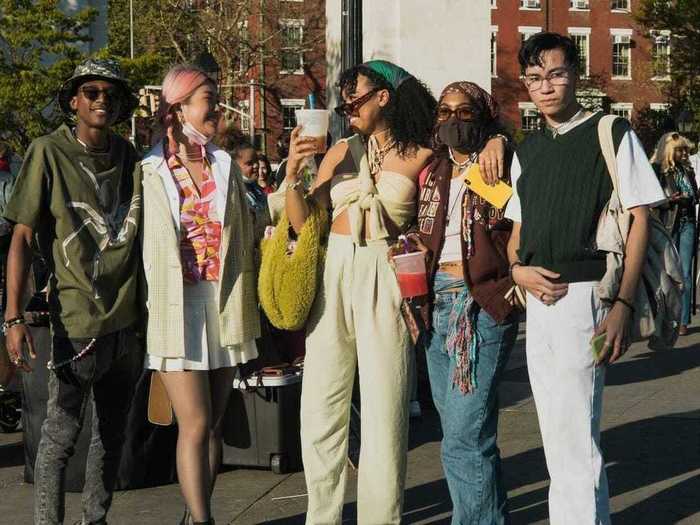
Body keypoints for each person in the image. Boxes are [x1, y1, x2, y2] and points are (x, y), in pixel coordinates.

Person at [283, 59, 506, 524]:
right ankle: (319, 516)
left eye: (355, 97)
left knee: (385, 409)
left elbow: (472, 153)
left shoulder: (424, 151)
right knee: (320, 405)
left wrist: (501, 139)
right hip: (334, 270)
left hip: (387, 274)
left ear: (384, 97)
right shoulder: (340, 151)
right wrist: (293, 173)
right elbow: (306, 225)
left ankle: (379, 518)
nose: (347, 107)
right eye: (343, 99)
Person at [505, 33, 665, 524]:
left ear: (574, 74)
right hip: (538, 300)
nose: (546, 86)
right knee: (557, 439)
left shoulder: (610, 131)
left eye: (555, 74)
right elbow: (516, 233)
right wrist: (516, 270)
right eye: (534, 78)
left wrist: (622, 303)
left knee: (576, 439)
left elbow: (639, 217)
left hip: (586, 297)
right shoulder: (527, 150)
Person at [3, 58, 142, 525]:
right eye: (91, 91)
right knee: (60, 436)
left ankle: (95, 520)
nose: (101, 99)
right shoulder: (48, 151)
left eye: (110, 93)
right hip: (75, 320)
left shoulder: (131, 157)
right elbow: (21, 237)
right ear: (73, 101)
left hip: (126, 321)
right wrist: (13, 317)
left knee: (112, 437)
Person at [141, 64, 260, 525]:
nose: (218, 107)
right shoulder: (150, 169)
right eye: (209, 98)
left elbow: (248, 228)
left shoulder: (224, 164)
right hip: (174, 307)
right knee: (192, 423)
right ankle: (204, 520)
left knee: (211, 426)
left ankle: (195, 515)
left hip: (222, 303)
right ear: (181, 108)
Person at [409, 81, 518, 524]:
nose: (453, 121)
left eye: (466, 112)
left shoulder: (502, 160)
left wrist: (501, 138)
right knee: (467, 431)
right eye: (445, 111)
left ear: (484, 117)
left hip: (482, 303)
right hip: (435, 304)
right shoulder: (431, 169)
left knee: (462, 435)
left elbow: (520, 219)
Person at [650, 132, 697, 335]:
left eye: (685, 149)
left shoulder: (687, 169)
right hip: (667, 224)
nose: (684, 153)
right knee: (667, 273)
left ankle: (683, 320)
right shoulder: (656, 170)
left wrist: (691, 196)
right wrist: (670, 200)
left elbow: (694, 193)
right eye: (680, 149)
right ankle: (665, 318)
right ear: (669, 150)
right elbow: (649, 200)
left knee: (685, 273)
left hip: (687, 222)